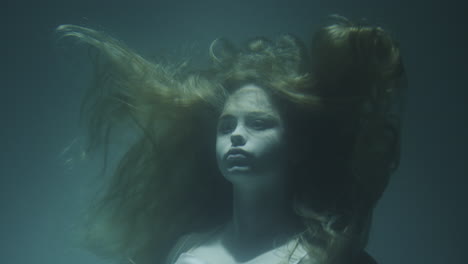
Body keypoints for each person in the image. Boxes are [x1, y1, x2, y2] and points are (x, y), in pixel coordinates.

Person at [57, 16, 406, 264]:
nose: (237, 135)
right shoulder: (187, 248)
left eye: (258, 123)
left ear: (298, 146)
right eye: (226, 126)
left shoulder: (329, 257)